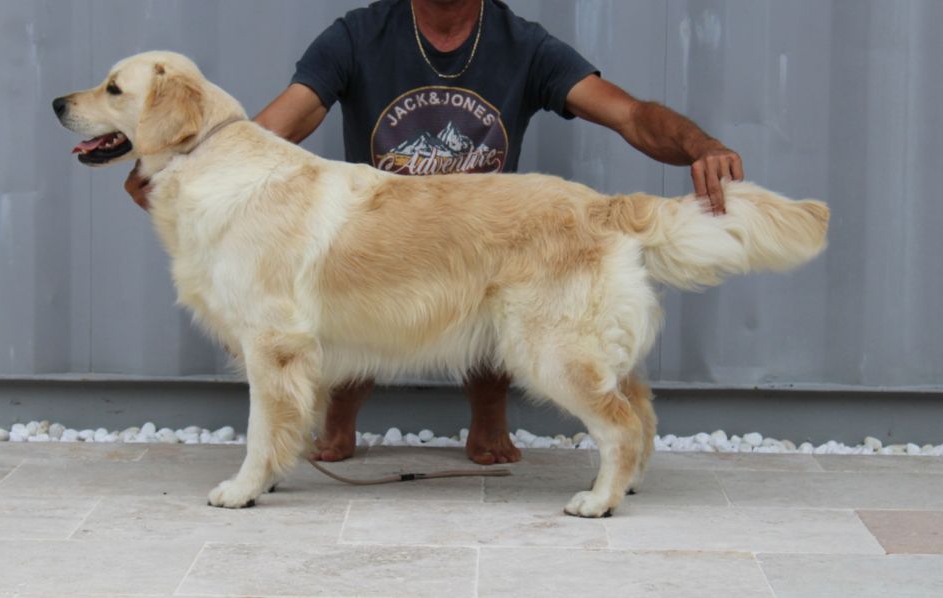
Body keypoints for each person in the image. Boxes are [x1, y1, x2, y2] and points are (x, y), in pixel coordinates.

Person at [125, 0, 743, 465]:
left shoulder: (523, 43)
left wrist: (701, 145)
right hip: (374, 227)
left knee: (502, 289)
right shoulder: (359, 34)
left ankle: (489, 420)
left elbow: (631, 115)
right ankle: (337, 417)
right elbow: (271, 131)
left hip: (483, 230)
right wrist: (183, 166)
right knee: (345, 280)